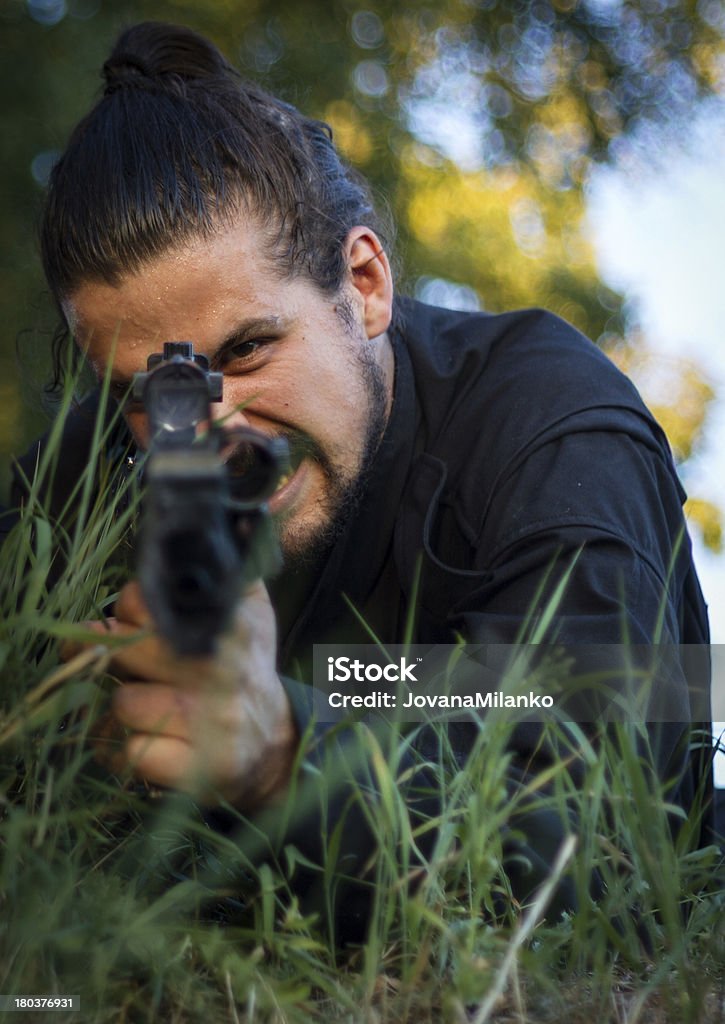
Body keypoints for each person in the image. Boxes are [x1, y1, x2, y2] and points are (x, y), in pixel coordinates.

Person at [5, 21, 713, 940]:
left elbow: (612, 817)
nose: (208, 433)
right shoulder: (87, 482)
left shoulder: (546, 421)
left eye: (249, 350)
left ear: (365, 282)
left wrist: (286, 752)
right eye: (153, 395)